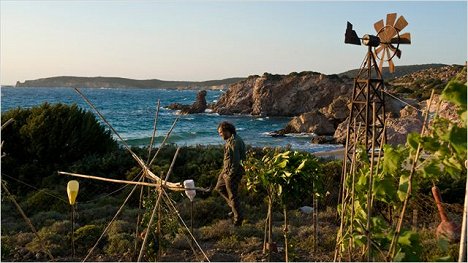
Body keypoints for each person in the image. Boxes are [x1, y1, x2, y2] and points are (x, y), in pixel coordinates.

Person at [215, 121, 246, 226]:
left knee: (233, 196)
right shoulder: (230, 139)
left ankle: (238, 220)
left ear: (227, 131)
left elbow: (236, 161)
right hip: (226, 170)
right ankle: (234, 208)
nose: (220, 135)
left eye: (221, 132)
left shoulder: (234, 142)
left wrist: (230, 175)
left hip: (233, 172)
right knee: (219, 188)